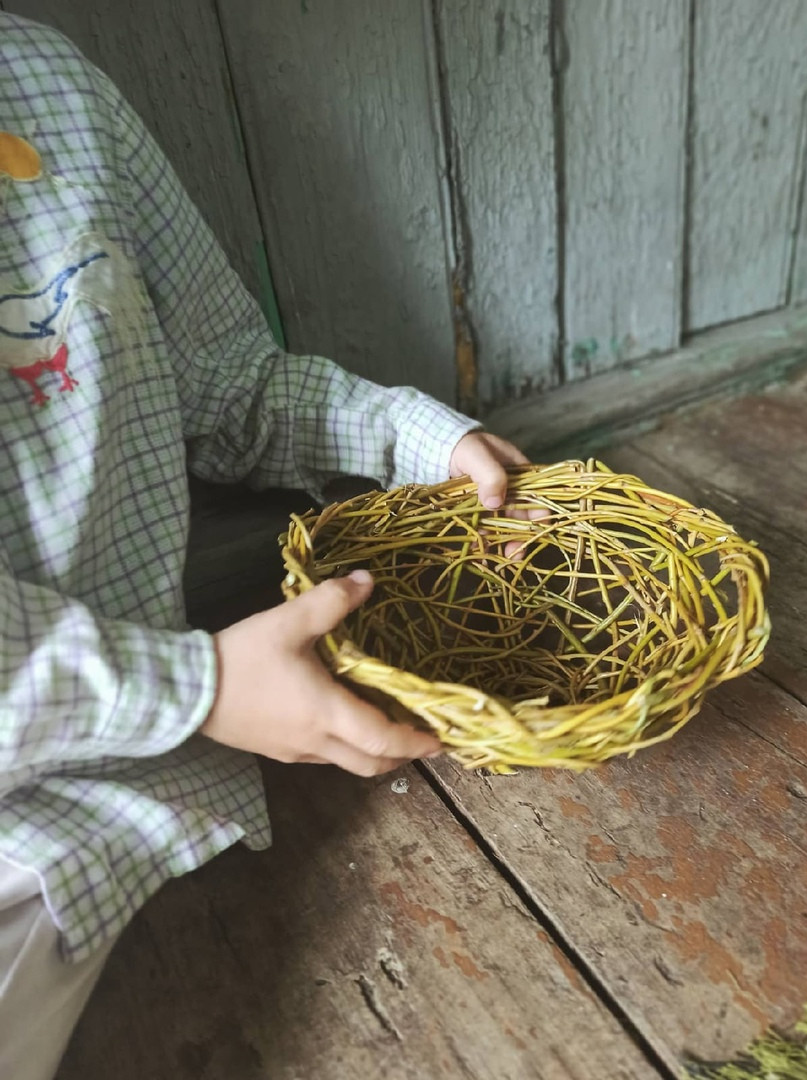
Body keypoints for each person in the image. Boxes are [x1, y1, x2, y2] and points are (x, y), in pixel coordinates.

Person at [0, 13, 530, 1079]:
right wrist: (196, 688)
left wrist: (422, 439)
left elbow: (221, 380)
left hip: (117, 786)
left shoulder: (44, 78)